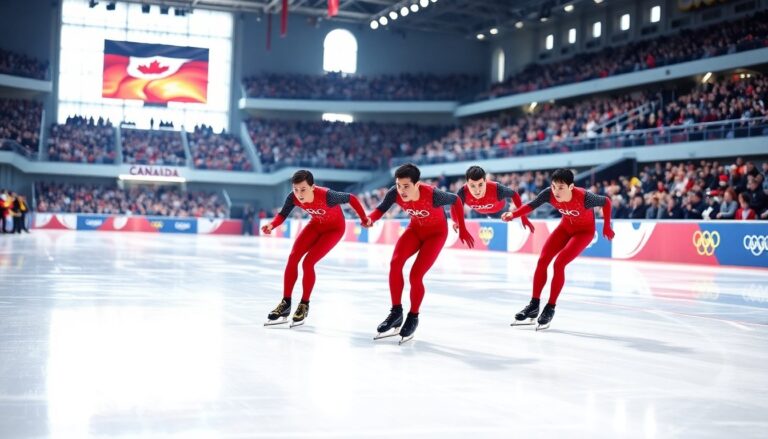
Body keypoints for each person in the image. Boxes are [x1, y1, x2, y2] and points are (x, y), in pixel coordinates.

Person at [362, 163, 474, 344]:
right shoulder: (394, 192)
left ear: (417, 184)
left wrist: (461, 225)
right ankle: (396, 313)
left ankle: (413, 316)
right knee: (395, 263)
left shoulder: (433, 194)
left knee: (415, 275)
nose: (402, 190)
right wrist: (370, 219)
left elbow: (456, 200)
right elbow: (381, 208)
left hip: (436, 235)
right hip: (415, 230)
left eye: (406, 186)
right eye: (399, 185)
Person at [502, 168, 614, 330]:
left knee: (559, 263)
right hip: (564, 228)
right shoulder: (549, 193)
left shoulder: (585, 197)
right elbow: (531, 205)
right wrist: (513, 214)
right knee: (542, 260)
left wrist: (606, 226)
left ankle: (550, 307)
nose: (556, 191)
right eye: (554, 187)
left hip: (583, 233)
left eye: (561, 188)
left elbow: (606, 201)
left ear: (571, 187)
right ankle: (534, 305)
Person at [261, 170, 369, 327]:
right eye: (296, 189)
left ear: (312, 187)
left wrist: (364, 218)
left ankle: (304, 304)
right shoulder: (293, 197)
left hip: (334, 230)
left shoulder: (328, 196)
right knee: (293, 258)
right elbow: (283, 214)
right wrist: (272, 225)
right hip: (316, 225)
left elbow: (351, 198)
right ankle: (286, 303)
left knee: (308, 263)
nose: (299, 194)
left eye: (303, 189)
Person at [456, 165, 534, 233]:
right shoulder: (463, 192)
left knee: (512, 208)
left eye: (480, 184)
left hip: (501, 209)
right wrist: (457, 222)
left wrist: (523, 217)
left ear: (485, 181)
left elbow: (514, 194)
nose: (477, 190)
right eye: (473, 186)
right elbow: (456, 206)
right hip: (482, 211)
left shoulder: (497, 189)